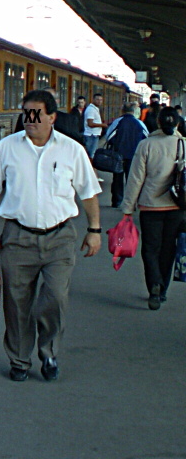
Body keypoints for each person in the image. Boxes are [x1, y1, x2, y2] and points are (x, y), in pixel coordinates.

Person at [0, 89, 102, 382]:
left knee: (55, 297)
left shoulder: (72, 150)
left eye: (36, 114)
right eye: (26, 113)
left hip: (59, 238)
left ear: (52, 117)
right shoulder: (7, 148)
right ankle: (20, 359)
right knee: (17, 301)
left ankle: (48, 352)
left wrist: (94, 229)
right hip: (18, 237)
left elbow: (88, 193)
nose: (30, 119)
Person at [119, 107, 186, 309]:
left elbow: (135, 179)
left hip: (150, 206)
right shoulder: (183, 145)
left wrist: (128, 208)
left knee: (150, 249)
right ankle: (162, 289)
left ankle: (154, 285)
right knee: (168, 248)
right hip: (177, 206)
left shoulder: (146, 145)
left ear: (157, 123)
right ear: (178, 124)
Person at [104, 104, 148, 208]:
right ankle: (131, 203)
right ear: (134, 111)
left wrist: (117, 144)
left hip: (118, 155)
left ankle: (117, 201)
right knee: (132, 180)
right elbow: (147, 137)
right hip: (134, 155)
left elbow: (109, 136)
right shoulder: (139, 123)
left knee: (117, 179)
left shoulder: (118, 121)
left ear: (123, 111)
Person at [14, 87, 84, 146]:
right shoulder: (24, 117)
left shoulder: (69, 120)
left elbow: (77, 141)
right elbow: (17, 137)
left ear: (57, 101)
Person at [83, 92, 105, 158]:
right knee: (91, 154)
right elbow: (90, 123)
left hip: (94, 134)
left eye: (101, 100)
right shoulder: (91, 109)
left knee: (92, 153)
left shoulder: (95, 109)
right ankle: (90, 167)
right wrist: (102, 125)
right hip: (91, 135)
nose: (99, 101)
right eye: (97, 99)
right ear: (93, 99)